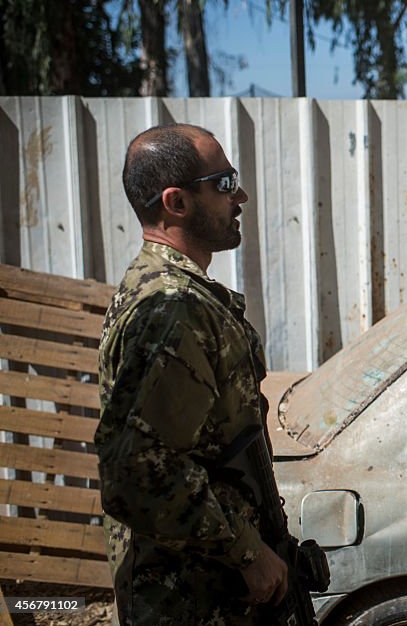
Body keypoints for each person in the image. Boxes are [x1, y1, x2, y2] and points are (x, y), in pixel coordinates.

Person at [95, 124, 289, 624]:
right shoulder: (171, 309)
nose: (240, 195)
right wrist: (247, 551)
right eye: (224, 183)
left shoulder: (179, 294)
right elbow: (134, 469)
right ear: (176, 202)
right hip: (188, 596)